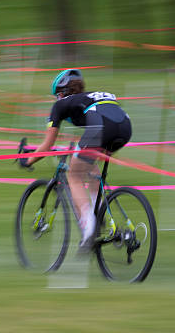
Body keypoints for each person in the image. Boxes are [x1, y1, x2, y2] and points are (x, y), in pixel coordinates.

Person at [19, 69, 132, 251]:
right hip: (125, 127)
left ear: (61, 93)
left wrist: (28, 161)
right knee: (91, 169)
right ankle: (101, 214)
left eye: (56, 96)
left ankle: (89, 229)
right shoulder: (88, 98)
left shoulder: (61, 105)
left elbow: (47, 145)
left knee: (74, 175)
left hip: (101, 128)